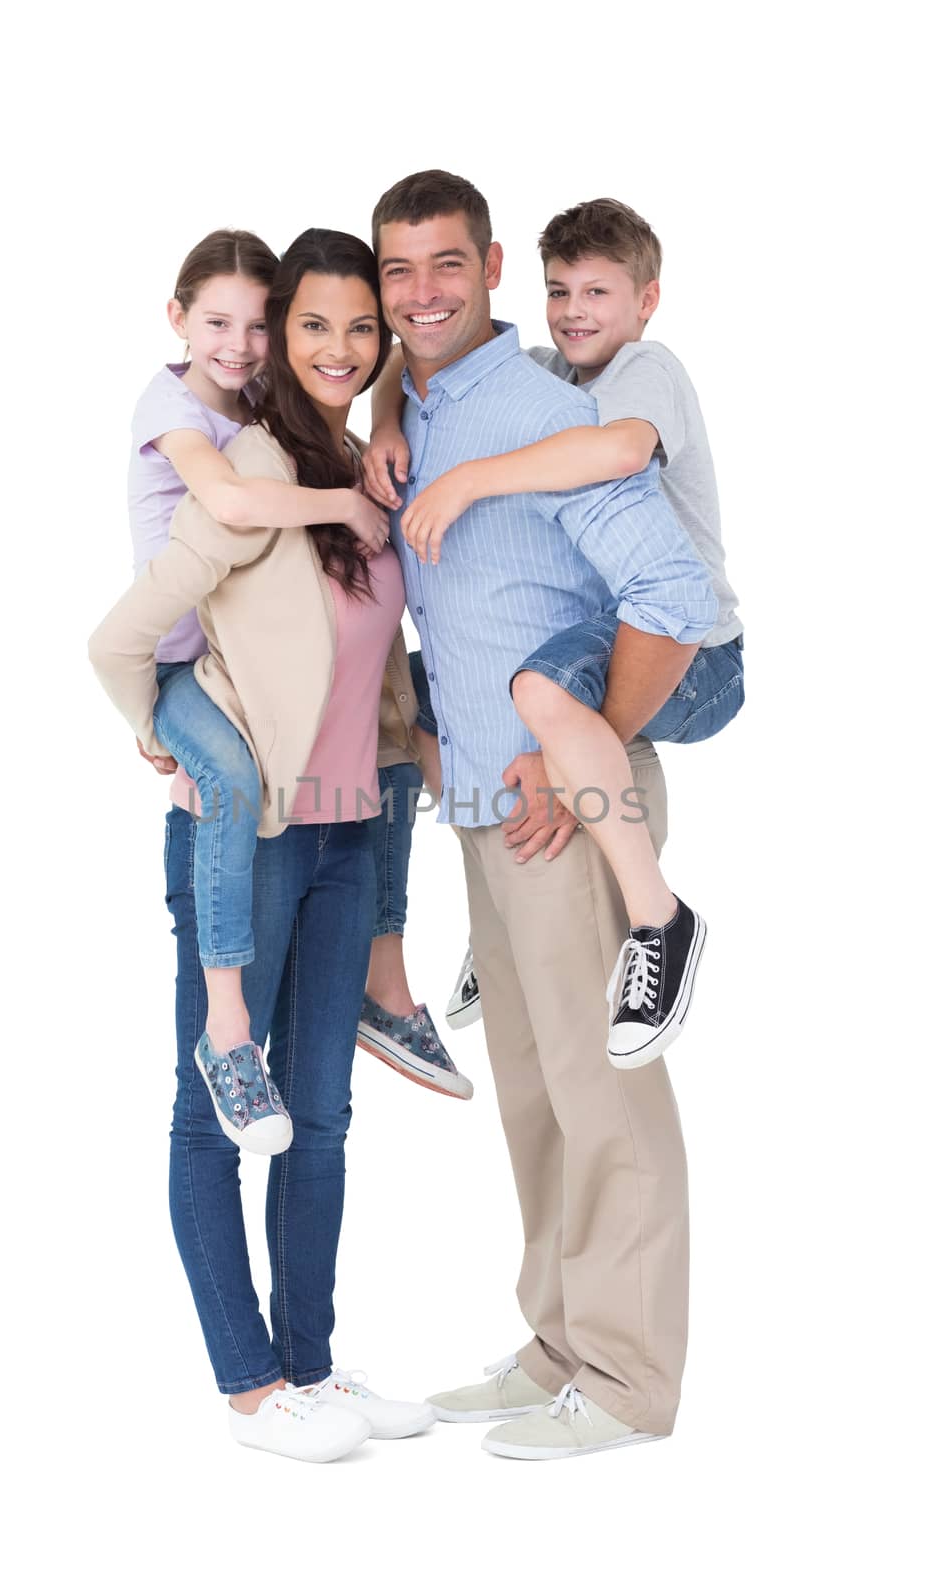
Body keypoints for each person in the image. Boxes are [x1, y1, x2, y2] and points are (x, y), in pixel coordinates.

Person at [369, 169, 716, 1460]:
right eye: (396, 270)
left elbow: (673, 595)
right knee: (532, 1090)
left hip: (563, 808)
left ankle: (626, 1382)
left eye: (443, 265)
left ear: (492, 265)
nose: (419, 294)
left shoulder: (530, 412)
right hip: (482, 809)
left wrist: (588, 751)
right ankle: (558, 1342)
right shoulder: (419, 407)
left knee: (600, 1091)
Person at [89, 228, 435, 1462]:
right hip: (256, 834)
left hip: (349, 833)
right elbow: (127, 631)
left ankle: (312, 1368)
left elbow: (377, 661)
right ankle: (248, 1386)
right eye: (312, 327)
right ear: (273, 337)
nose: (338, 350)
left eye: (362, 329)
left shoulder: (357, 459)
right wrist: (157, 729)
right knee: (212, 1112)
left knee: (323, 1119)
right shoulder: (243, 459)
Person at [367, 197, 743, 1069]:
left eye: (598, 293)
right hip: (615, 633)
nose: (575, 312)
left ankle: (660, 920)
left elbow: (613, 454)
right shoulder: (552, 372)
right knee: (414, 698)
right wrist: (385, 420)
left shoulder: (646, 372)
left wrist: (465, 482)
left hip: (695, 648)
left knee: (534, 690)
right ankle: (487, 916)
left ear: (647, 300)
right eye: (560, 291)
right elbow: (408, 355)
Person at [100, 229, 395, 1148]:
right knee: (226, 784)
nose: (237, 344)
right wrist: (149, 721)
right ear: (176, 318)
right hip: (180, 669)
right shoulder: (178, 405)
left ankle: (388, 981)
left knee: (403, 737)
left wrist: (381, 429)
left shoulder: (256, 394)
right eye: (215, 322)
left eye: (254, 325)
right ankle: (228, 1030)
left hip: (228, 669)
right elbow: (227, 505)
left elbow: (348, 363)